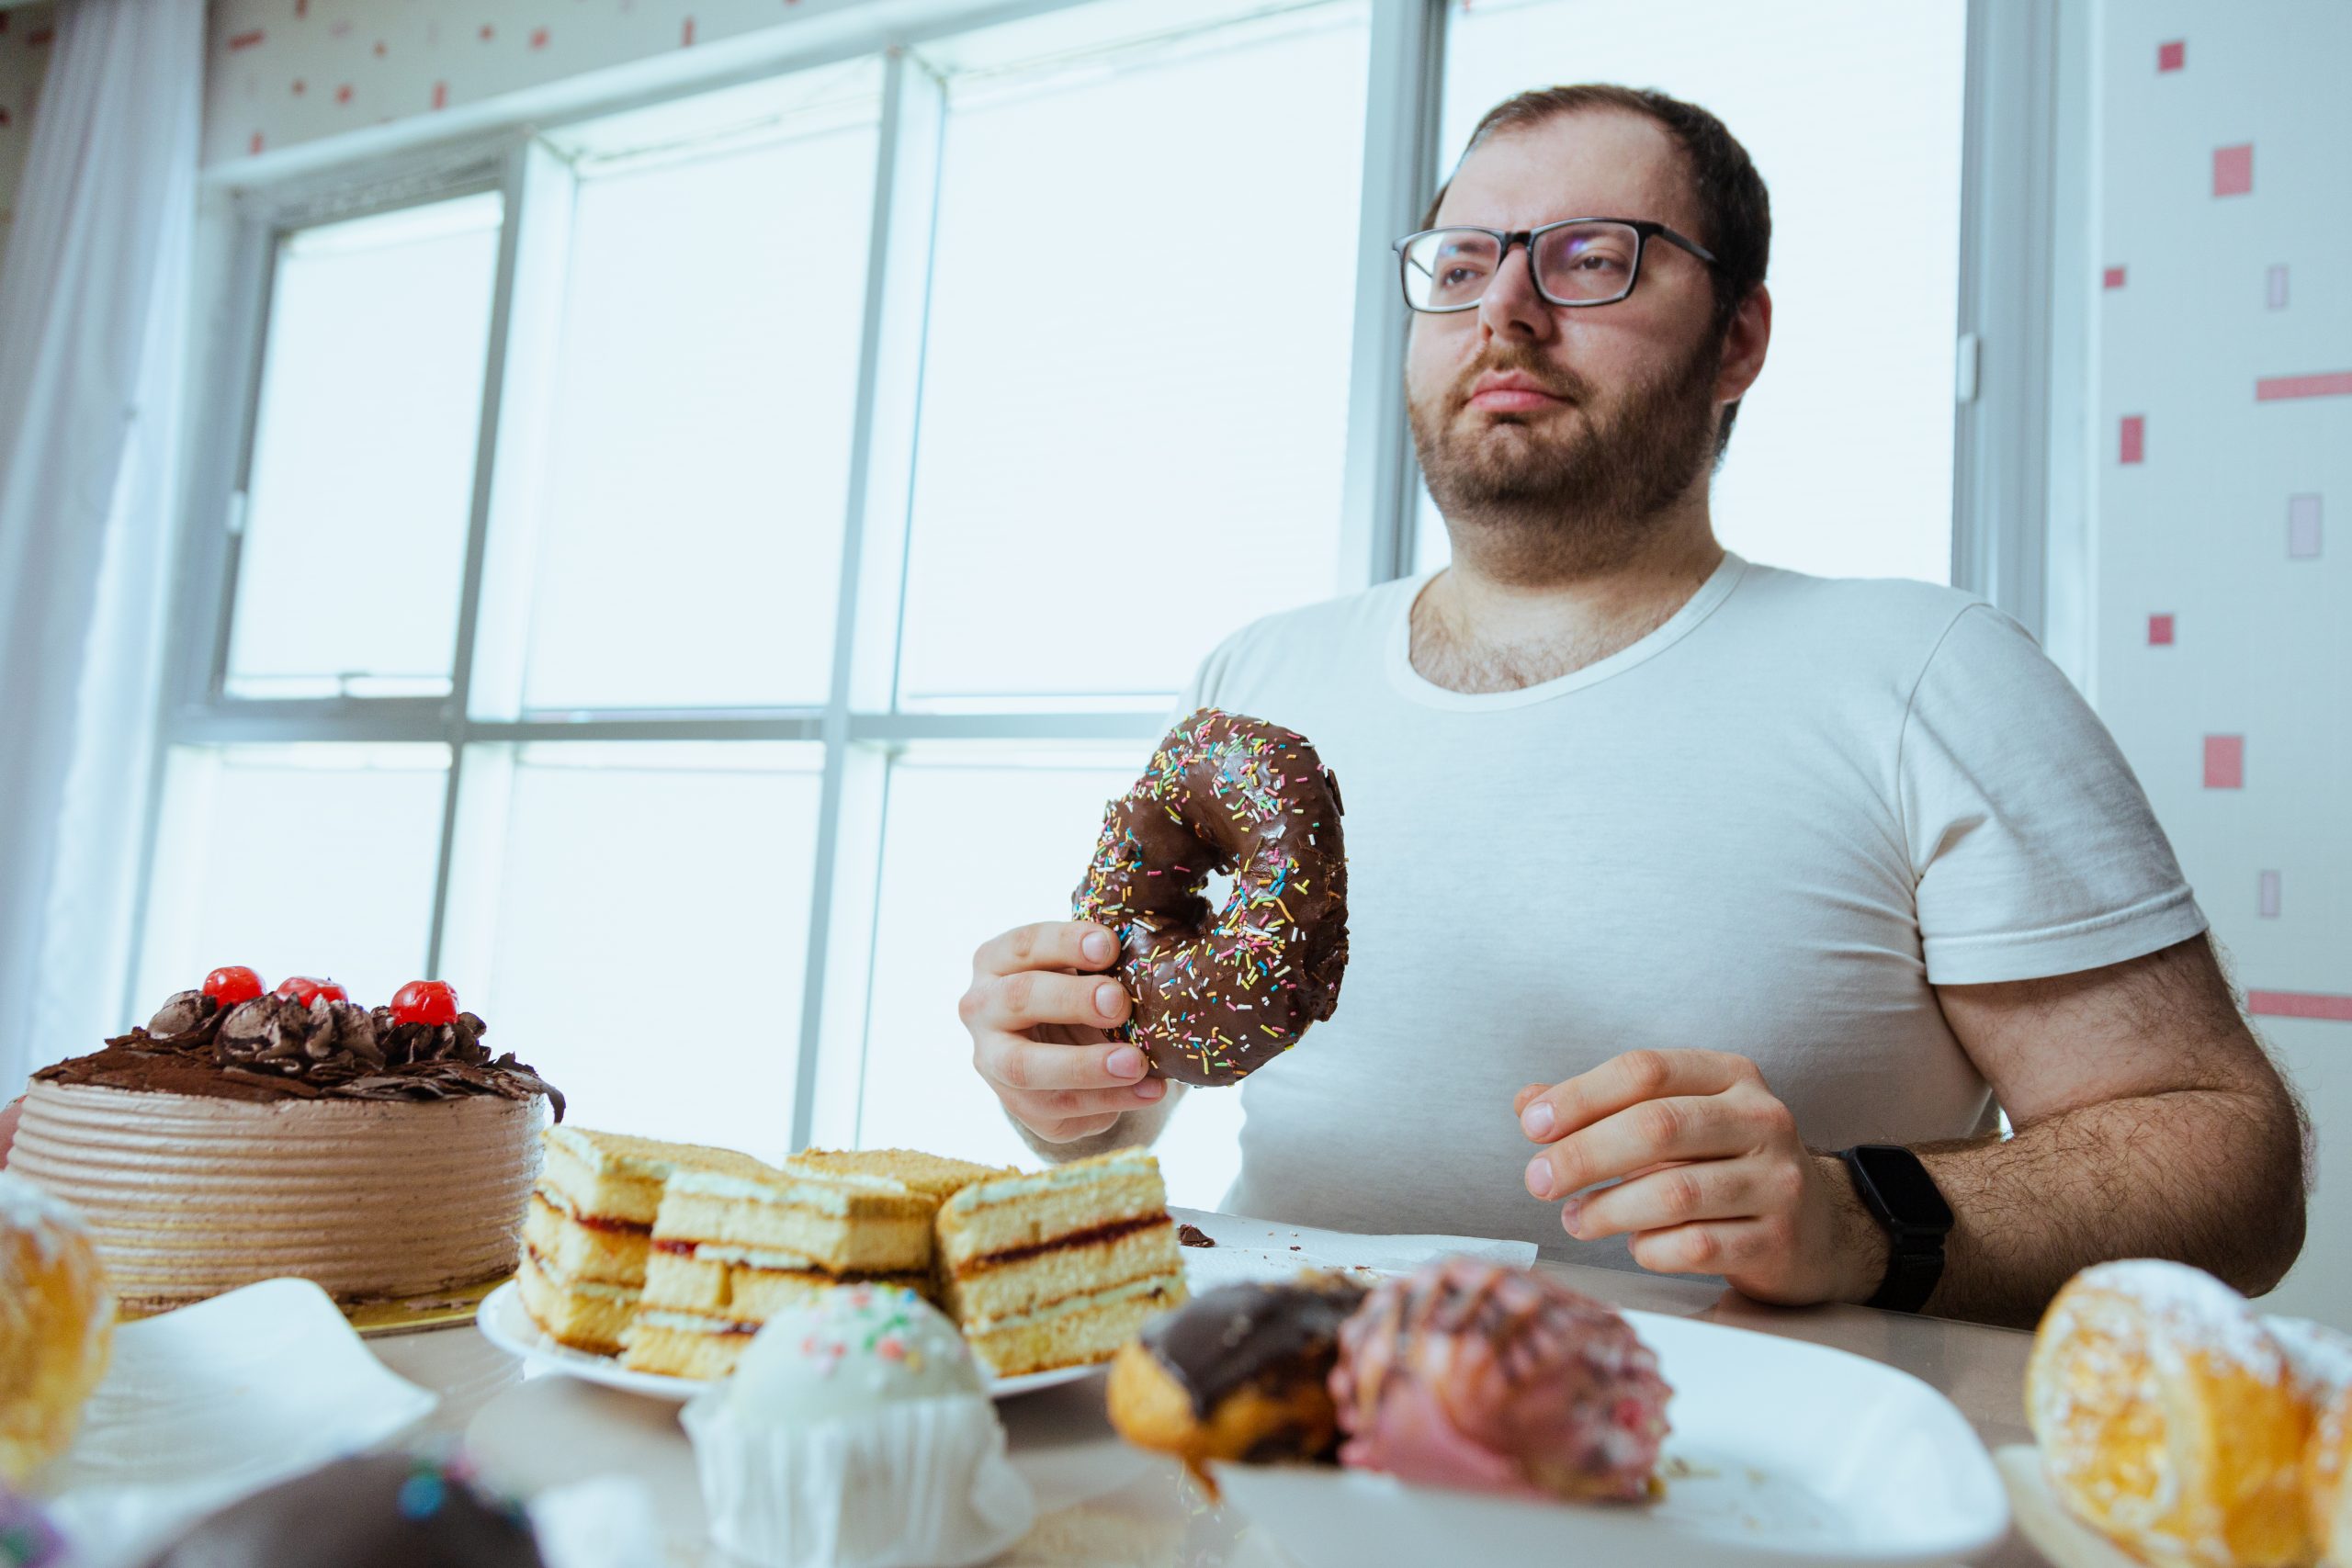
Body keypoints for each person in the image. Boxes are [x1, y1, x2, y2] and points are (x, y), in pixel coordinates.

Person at [956, 85, 2305, 1328]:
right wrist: (1069, 1093)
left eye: (1592, 256)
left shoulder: (1924, 671)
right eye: (1464, 263)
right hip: (1263, 1447)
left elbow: (2232, 1161)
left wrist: (1863, 1213)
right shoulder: (1256, 675)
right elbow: (1137, 1097)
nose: (1507, 312)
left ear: (1741, 340)